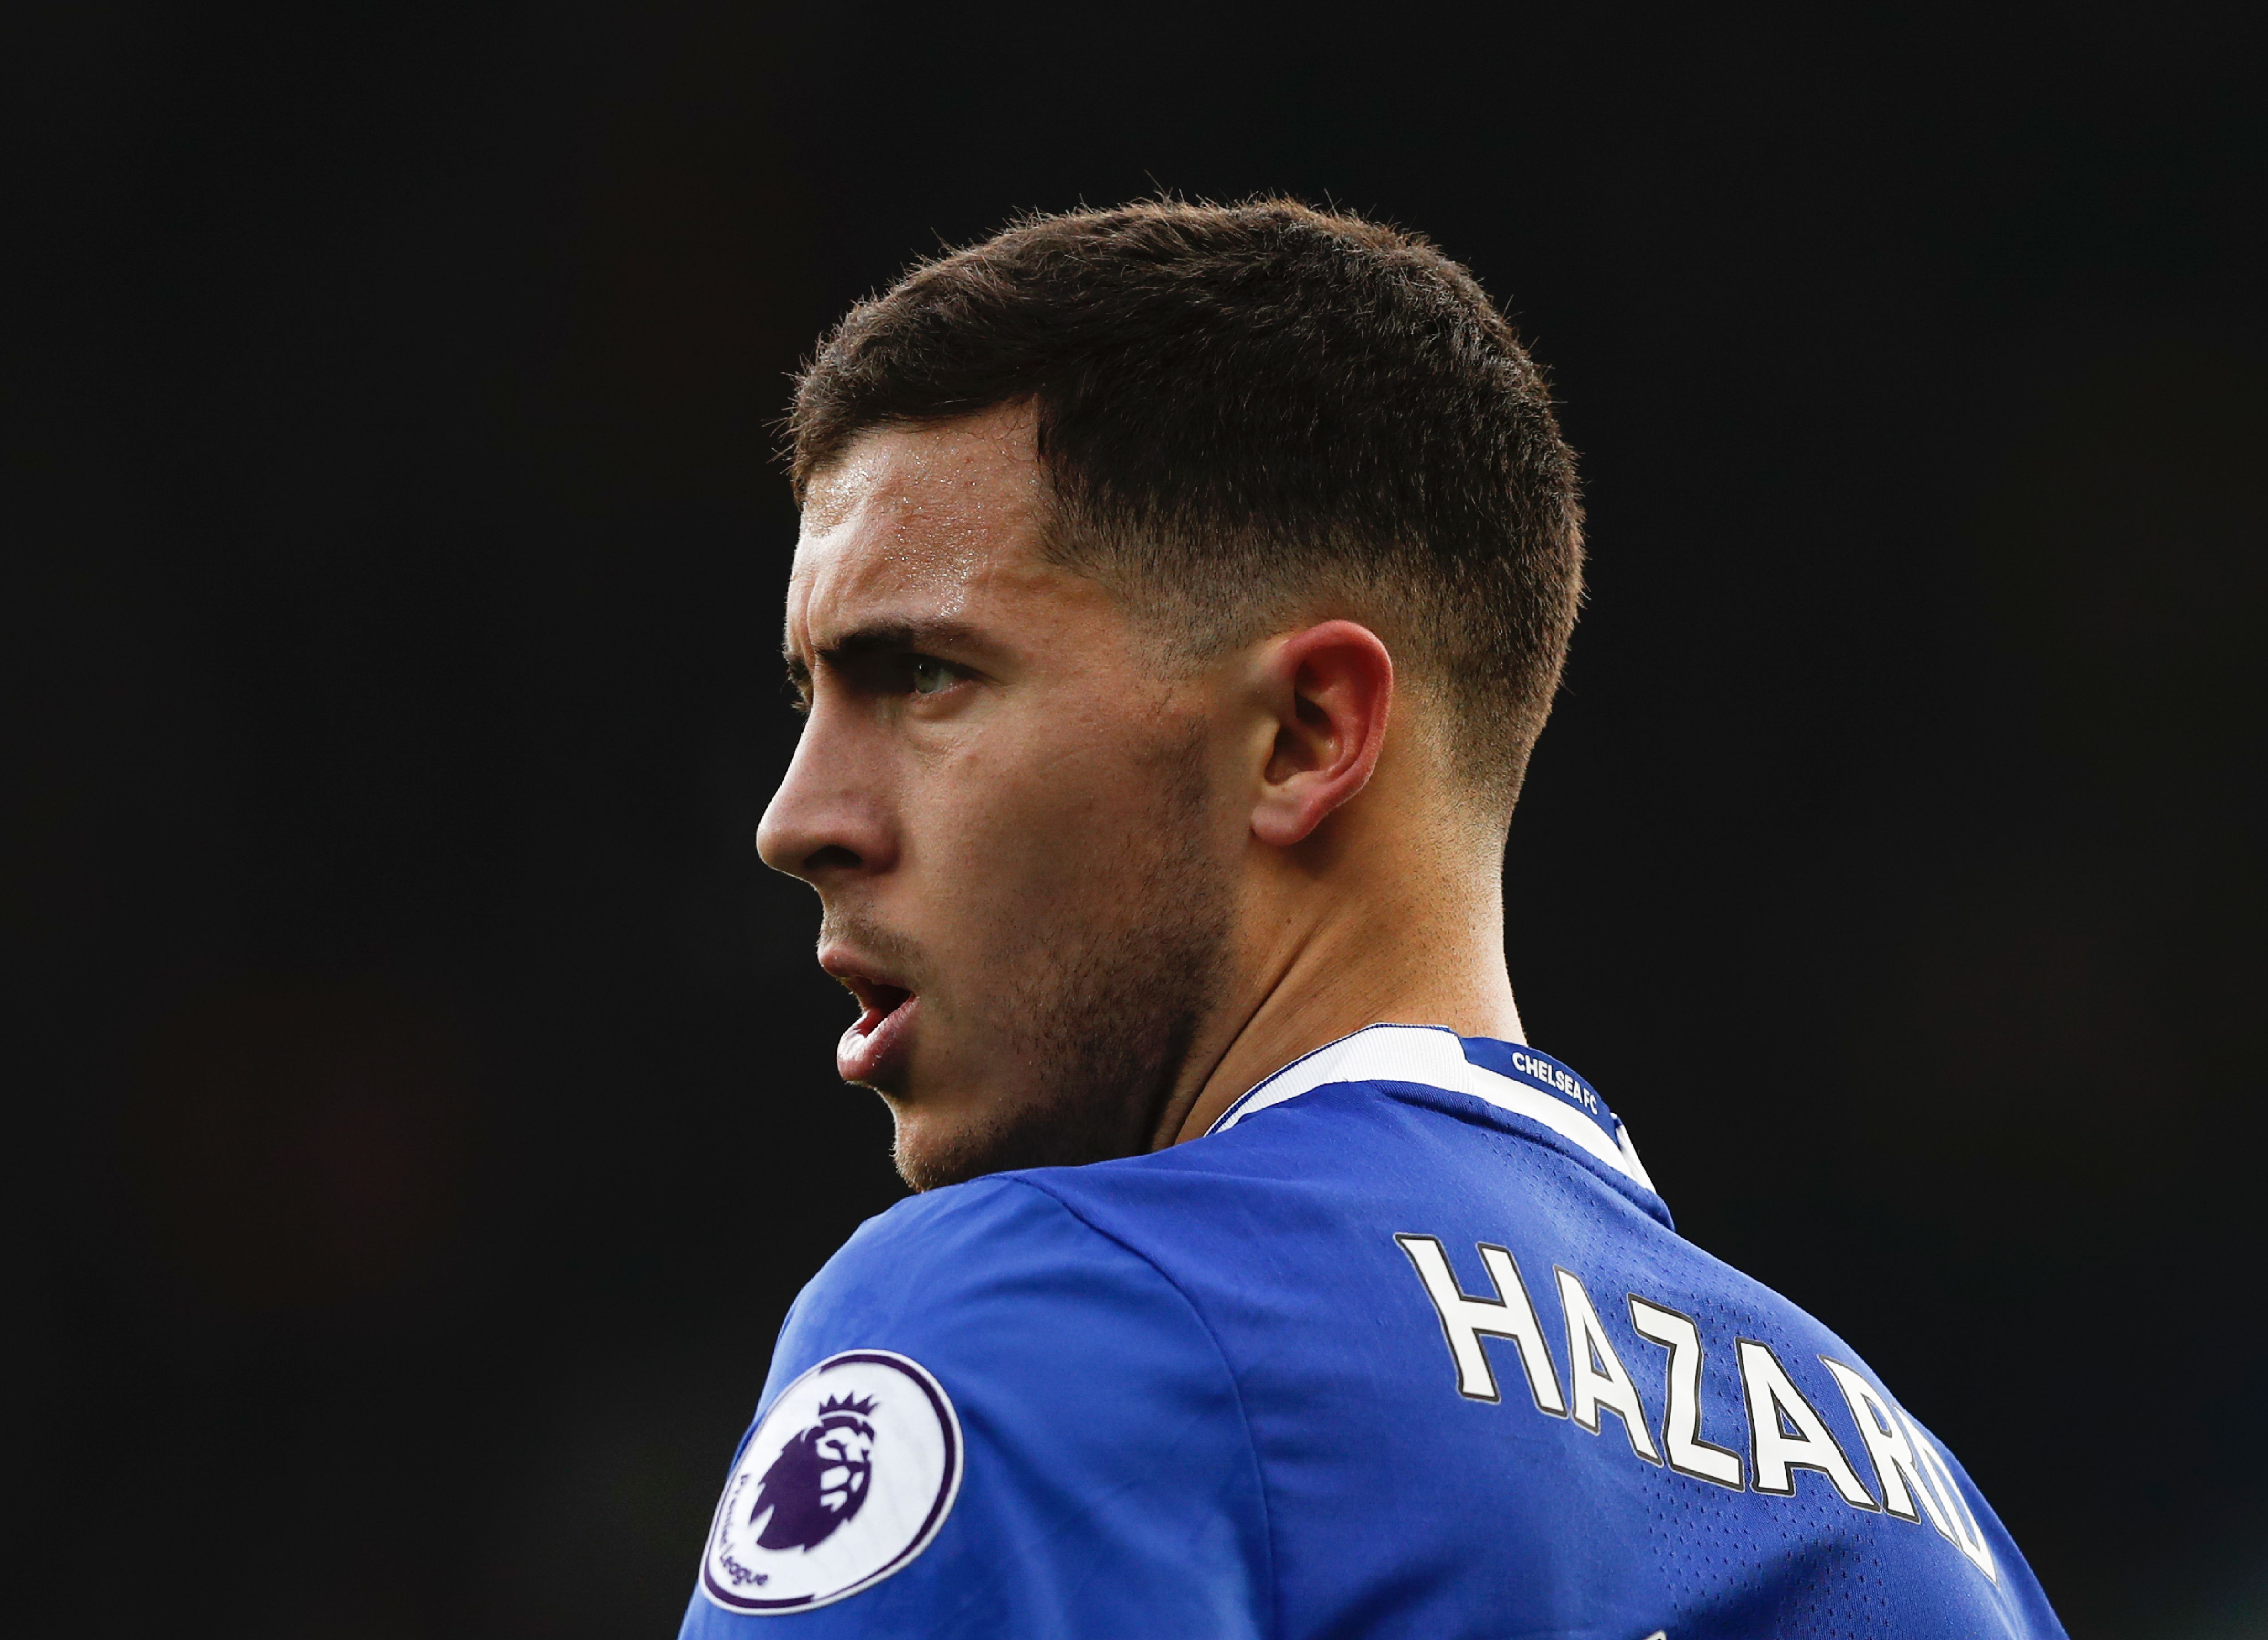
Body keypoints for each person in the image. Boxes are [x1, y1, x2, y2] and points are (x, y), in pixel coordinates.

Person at [679, 200, 2064, 1638]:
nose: (796, 821)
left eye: (920, 675)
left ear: (1304, 733)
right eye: (812, 697)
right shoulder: (1933, 1532)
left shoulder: (1041, 1319)